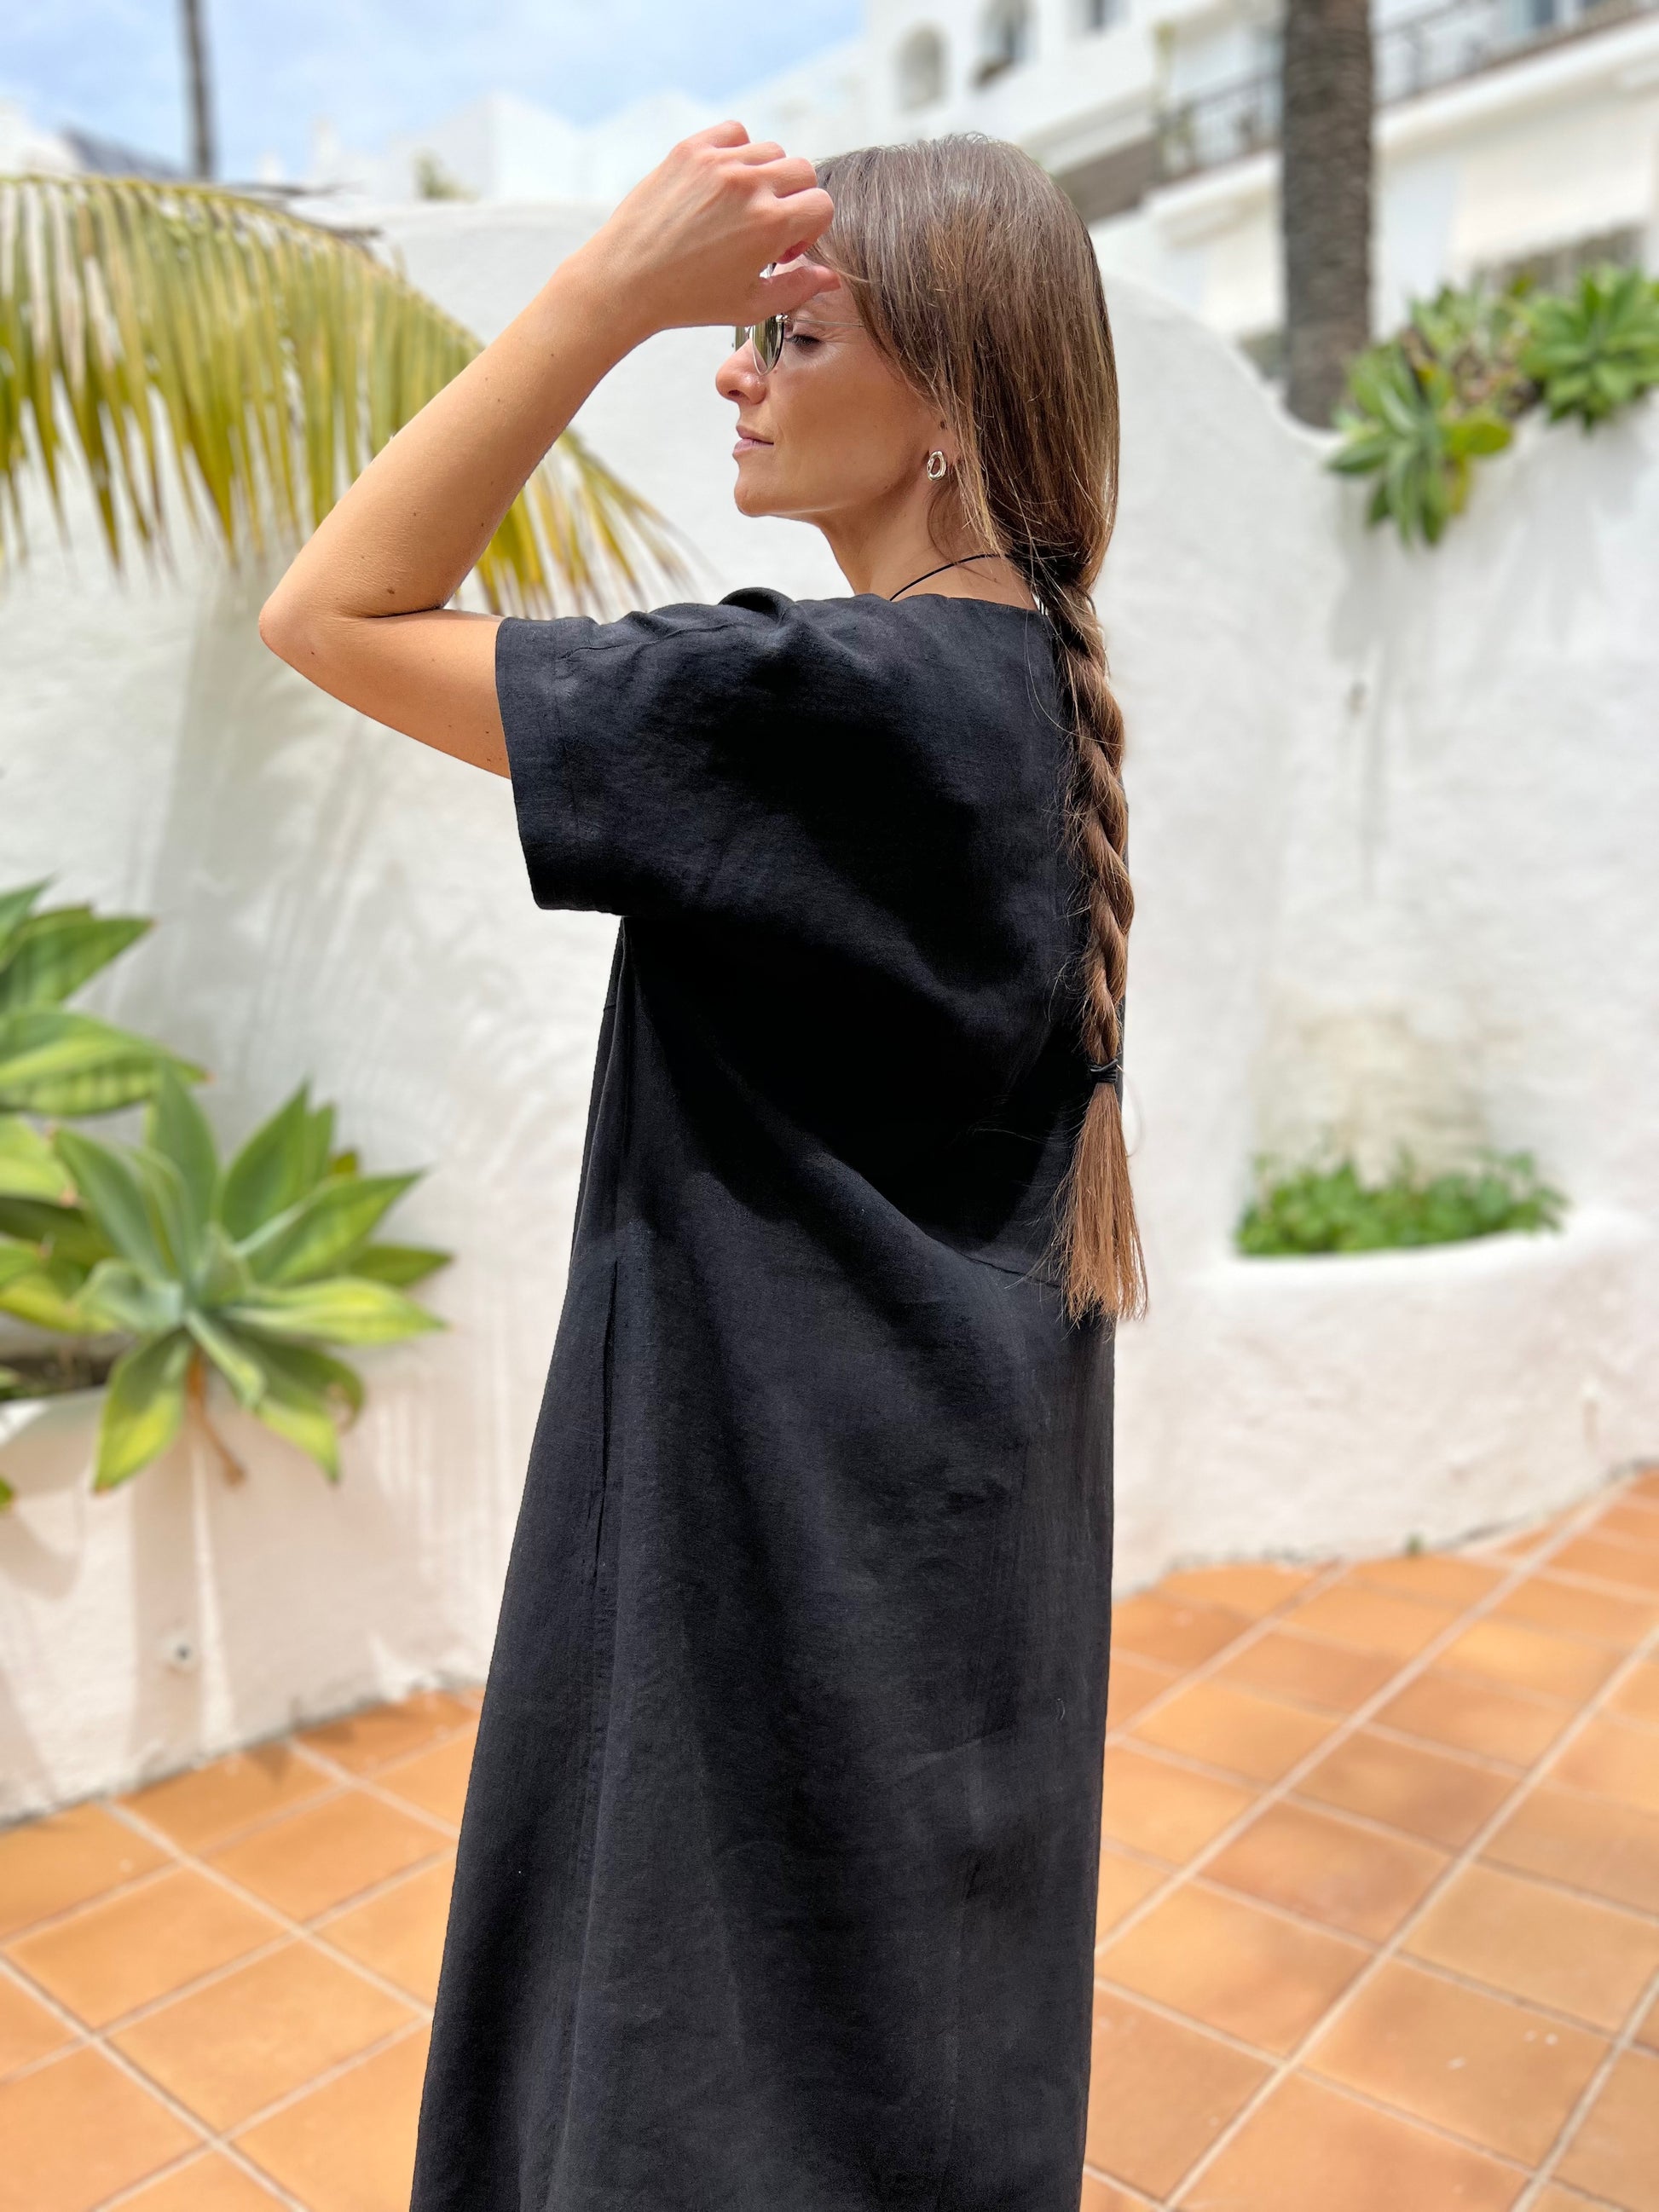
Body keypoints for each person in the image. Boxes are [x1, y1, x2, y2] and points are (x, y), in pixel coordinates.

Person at [260, 121, 1143, 2212]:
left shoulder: (844, 698)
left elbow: (332, 607)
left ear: (950, 403)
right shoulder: (1004, 684)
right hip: (925, 1552)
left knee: (719, 2093)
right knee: (903, 2071)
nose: (731, 370)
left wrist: (600, 295)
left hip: (777, 1559)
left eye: (787, 335)